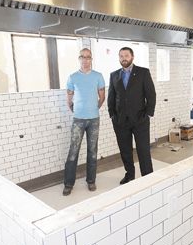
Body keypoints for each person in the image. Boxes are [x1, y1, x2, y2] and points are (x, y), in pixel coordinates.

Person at [108, 47, 156, 185]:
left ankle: (148, 177)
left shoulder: (143, 72)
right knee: (125, 151)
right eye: (121, 55)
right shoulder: (114, 75)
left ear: (132, 57)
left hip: (140, 119)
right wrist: (112, 115)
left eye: (126, 55)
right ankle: (129, 174)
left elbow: (151, 95)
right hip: (121, 121)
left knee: (143, 150)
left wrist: (147, 114)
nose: (124, 58)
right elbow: (111, 97)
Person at [63, 48, 105, 196]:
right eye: (83, 57)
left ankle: (91, 181)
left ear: (91, 59)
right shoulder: (72, 77)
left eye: (88, 57)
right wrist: (77, 110)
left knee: (92, 152)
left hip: (94, 120)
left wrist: (94, 109)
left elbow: (102, 97)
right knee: (73, 152)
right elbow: (69, 98)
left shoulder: (98, 76)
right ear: (79, 59)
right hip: (78, 120)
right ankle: (68, 183)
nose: (86, 60)